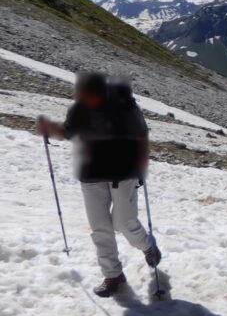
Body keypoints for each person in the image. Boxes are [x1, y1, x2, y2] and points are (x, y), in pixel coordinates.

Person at [36, 72, 162, 297]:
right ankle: (113, 275)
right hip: (91, 175)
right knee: (100, 227)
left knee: (124, 223)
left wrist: (141, 166)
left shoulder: (125, 108)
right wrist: (49, 129)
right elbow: (68, 132)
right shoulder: (79, 109)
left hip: (123, 174)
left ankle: (147, 247)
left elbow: (141, 135)